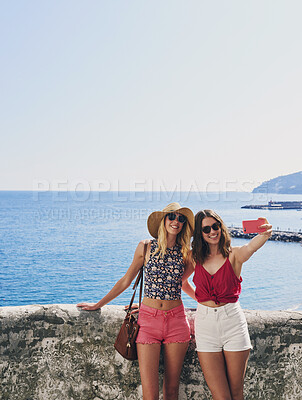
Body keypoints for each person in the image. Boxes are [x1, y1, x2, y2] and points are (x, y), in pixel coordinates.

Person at [77, 202, 195, 400]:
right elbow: (126, 281)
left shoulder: (186, 253)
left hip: (176, 321)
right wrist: (99, 304)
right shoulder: (146, 246)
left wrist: (208, 302)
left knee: (172, 391)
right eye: (172, 217)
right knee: (150, 394)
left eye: (181, 218)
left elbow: (181, 284)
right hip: (148, 322)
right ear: (163, 220)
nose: (176, 221)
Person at [182, 210, 272, 400]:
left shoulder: (235, 254)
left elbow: (252, 246)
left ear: (221, 227)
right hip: (205, 326)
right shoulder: (194, 257)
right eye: (206, 229)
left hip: (233, 323)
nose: (212, 231)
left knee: (236, 393)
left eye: (216, 226)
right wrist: (200, 300)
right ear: (200, 233)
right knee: (221, 396)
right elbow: (181, 282)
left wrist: (264, 232)